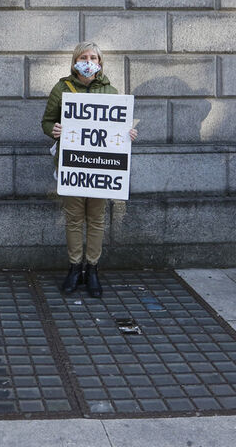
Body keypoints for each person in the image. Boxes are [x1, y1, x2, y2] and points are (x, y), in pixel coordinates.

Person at [41, 42, 138, 299]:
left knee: (96, 219)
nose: (88, 60)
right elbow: (47, 121)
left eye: (93, 57)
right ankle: (74, 267)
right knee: (74, 218)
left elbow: (118, 125)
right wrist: (54, 129)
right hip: (72, 163)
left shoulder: (111, 91)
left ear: (100, 62)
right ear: (75, 61)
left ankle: (92, 268)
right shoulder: (62, 88)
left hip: (100, 167)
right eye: (83, 56)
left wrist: (128, 133)